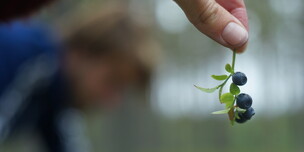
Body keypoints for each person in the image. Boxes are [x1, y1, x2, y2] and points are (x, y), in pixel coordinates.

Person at [0, 7, 155, 152]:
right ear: (81, 54)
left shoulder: (55, 95)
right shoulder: (17, 55)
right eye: (111, 81)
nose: (110, 101)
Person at [0, 0, 249, 53]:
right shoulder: (24, 58)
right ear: (88, 53)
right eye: (111, 81)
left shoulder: (54, 101)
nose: (111, 101)